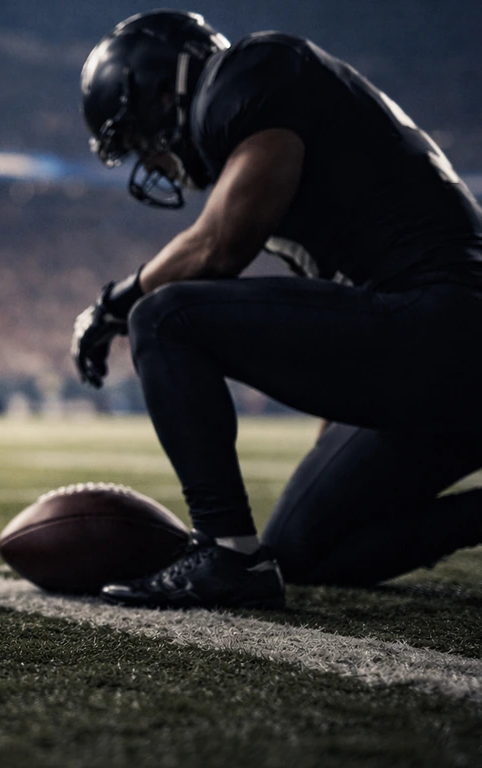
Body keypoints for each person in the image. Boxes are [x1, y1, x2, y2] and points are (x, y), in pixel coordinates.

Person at [71, 10, 482, 610]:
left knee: (162, 319)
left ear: (164, 92)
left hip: (442, 322)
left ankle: (227, 554)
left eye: (141, 142)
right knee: (305, 546)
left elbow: (218, 247)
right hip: (435, 350)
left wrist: (112, 304)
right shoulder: (269, 104)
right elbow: (337, 293)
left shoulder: (251, 70)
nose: (155, 165)